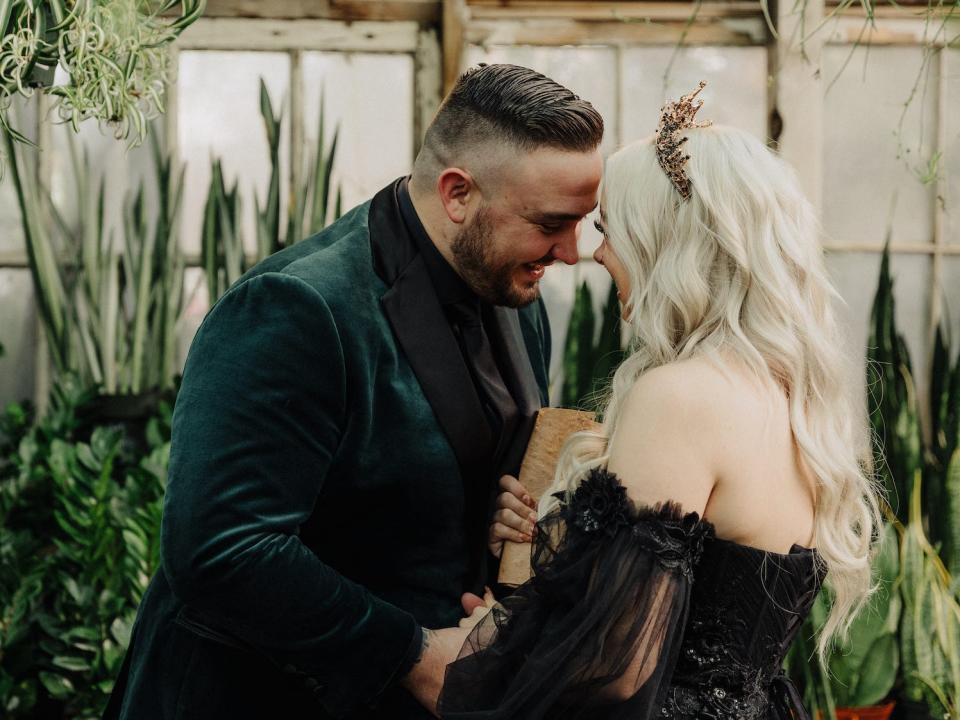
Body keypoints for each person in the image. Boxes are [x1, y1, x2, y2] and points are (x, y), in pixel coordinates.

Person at [103, 64, 603, 720]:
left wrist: (494, 513)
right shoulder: (297, 306)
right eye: (550, 223)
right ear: (457, 194)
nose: (572, 251)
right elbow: (220, 550)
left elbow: (420, 478)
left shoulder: (513, 287)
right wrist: (414, 656)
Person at [436, 84, 882, 719]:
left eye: (612, 229)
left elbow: (618, 664)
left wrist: (489, 646)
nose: (595, 252)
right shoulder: (786, 394)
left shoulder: (680, 395)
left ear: (666, 246)